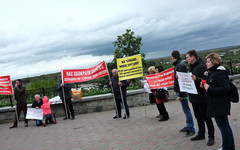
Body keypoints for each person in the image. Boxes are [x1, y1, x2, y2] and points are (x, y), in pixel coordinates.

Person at [203, 53, 235, 150]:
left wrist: (210, 88)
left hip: (220, 104)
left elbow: (225, 89)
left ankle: (227, 147)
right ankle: (228, 146)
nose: (206, 64)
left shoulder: (220, 73)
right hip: (217, 103)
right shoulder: (214, 72)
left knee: (223, 126)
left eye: (208, 62)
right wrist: (206, 86)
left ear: (213, 62)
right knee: (224, 126)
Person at [186, 50, 215, 146]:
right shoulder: (191, 67)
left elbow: (207, 80)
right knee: (198, 117)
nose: (186, 59)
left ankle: (211, 137)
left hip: (202, 97)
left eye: (187, 57)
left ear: (193, 56)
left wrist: (197, 79)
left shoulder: (202, 66)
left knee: (206, 117)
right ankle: (201, 133)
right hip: (194, 97)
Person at [171, 50, 195, 136]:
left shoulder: (180, 65)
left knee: (186, 110)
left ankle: (191, 128)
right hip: (181, 91)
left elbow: (182, 81)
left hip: (182, 92)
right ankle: (188, 126)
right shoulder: (179, 64)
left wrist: (181, 94)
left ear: (173, 57)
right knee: (185, 109)